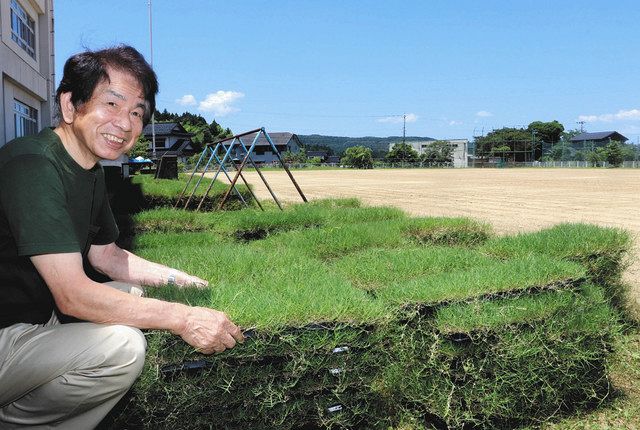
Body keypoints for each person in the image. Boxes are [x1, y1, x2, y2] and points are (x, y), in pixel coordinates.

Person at [0, 45, 244, 429]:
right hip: (6, 333)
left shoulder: (89, 169)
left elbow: (106, 255)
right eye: (111, 105)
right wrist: (185, 317)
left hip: (33, 318)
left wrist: (182, 282)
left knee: (134, 293)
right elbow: (73, 295)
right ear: (69, 105)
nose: (126, 123)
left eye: (136, 112)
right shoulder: (32, 164)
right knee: (122, 348)